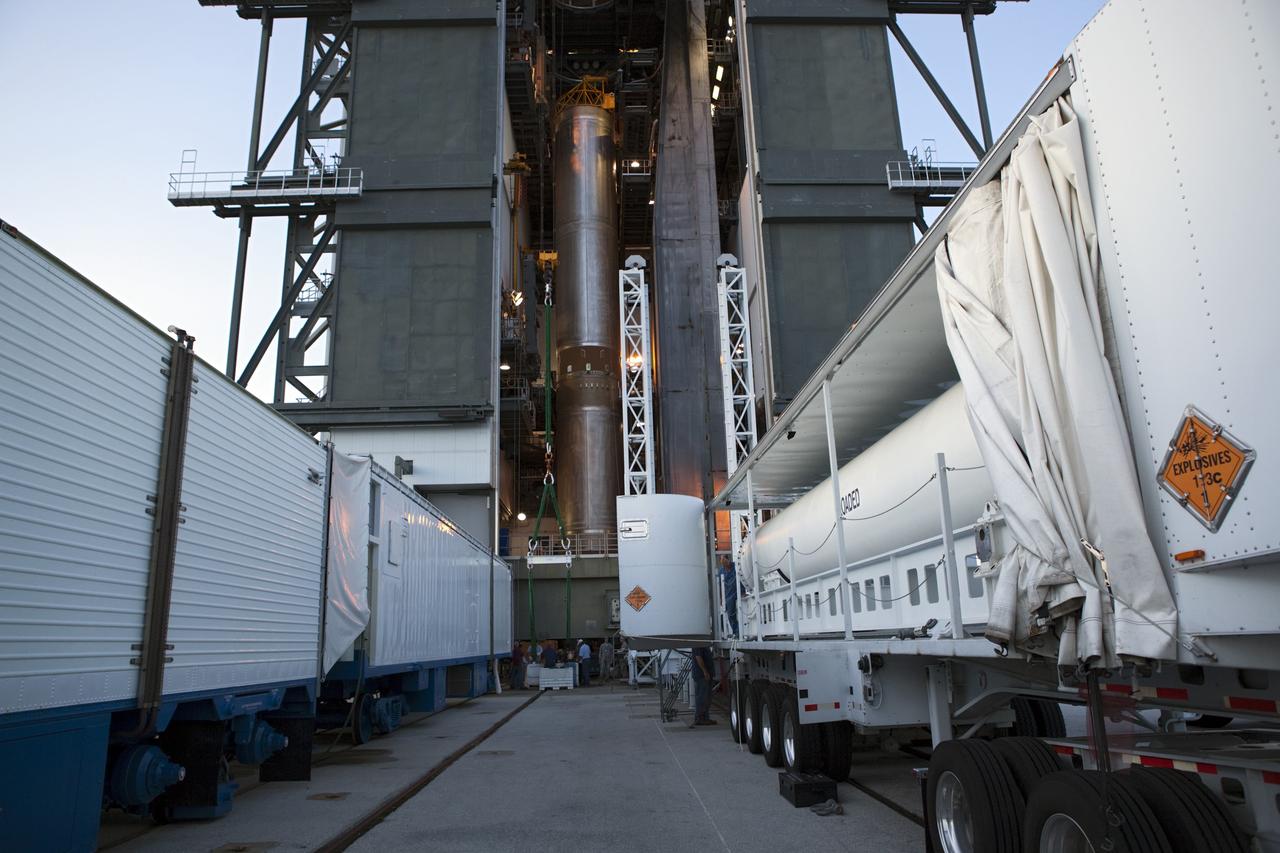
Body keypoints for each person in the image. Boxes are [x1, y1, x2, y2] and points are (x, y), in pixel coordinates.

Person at [691, 645, 716, 725]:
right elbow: (698, 657)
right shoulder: (698, 644)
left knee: (707, 697)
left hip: (706, 674)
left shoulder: (704, 643)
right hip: (701, 675)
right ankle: (699, 718)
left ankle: (705, 718)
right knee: (702, 697)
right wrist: (705, 671)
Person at [719, 556, 739, 637]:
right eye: (722, 562)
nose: (724, 563)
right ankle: (736, 631)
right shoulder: (721, 571)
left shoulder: (735, 566)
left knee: (739, 611)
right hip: (728, 595)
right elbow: (720, 585)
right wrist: (721, 598)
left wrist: (743, 591)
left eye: (725, 561)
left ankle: (738, 631)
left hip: (737, 592)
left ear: (728, 560)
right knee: (730, 614)